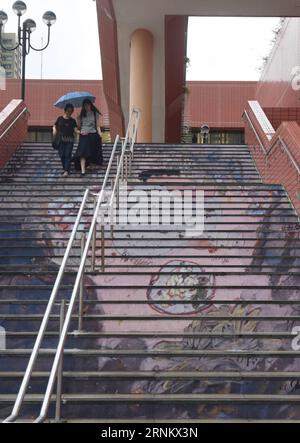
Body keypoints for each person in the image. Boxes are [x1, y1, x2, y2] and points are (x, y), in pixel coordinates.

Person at [73, 99, 103, 176]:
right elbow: (79, 127)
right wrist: (78, 120)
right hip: (83, 135)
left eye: (88, 105)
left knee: (91, 151)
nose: (86, 107)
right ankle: (83, 171)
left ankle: (89, 164)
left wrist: (100, 133)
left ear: (90, 105)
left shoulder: (94, 114)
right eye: (85, 105)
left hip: (92, 134)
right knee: (82, 153)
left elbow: (97, 125)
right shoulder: (81, 115)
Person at [53, 103, 78, 177]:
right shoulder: (60, 118)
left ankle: (66, 171)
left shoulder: (73, 121)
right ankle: (65, 168)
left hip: (70, 140)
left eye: (71, 111)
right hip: (61, 140)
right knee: (62, 155)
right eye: (68, 111)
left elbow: (75, 129)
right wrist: (54, 130)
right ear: (65, 111)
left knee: (68, 154)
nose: (69, 113)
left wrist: (79, 132)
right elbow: (55, 125)